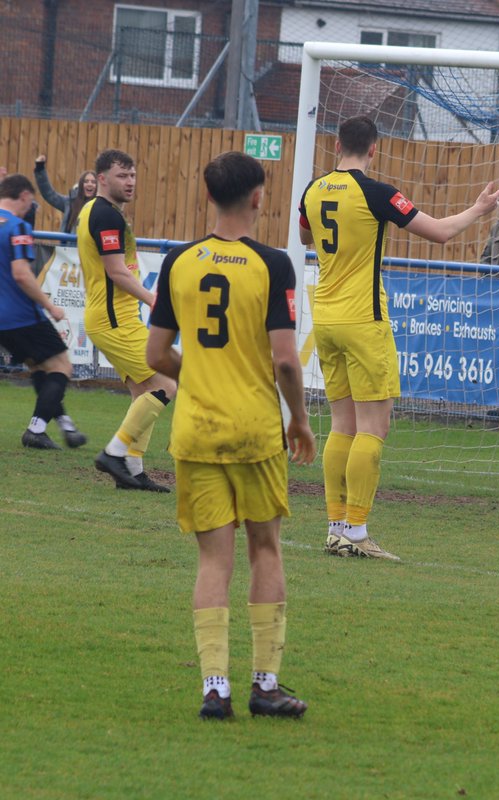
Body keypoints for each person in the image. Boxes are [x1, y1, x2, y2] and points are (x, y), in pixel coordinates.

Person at [146, 150, 317, 721]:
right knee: (264, 549)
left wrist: (194, 376)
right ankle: (265, 685)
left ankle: (214, 688)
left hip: (195, 431)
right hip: (254, 431)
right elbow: (287, 362)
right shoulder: (273, 265)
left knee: (211, 563)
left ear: (208, 195)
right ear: (258, 196)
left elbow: (154, 354)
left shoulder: (178, 262)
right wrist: (299, 418)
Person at [298, 115, 499, 560]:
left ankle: (335, 527)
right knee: (375, 427)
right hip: (363, 319)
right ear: (374, 148)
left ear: (337, 145)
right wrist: (480, 209)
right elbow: (442, 233)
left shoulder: (312, 190)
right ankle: (356, 531)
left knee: (342, 425)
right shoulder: (378, 193)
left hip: (326, 319)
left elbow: (304, 235)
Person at [77, 149, 176, 492]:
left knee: (143, 392)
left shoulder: (96, 210)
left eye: (133, 175)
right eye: (122, 176)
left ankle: (132, 470)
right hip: (113, 319)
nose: (130, 182)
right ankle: (114, 453)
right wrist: (155, 301)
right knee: (167, 384)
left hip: (111, 317)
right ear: (101, 178)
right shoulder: (106, 215)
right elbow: (116, 272)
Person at [0, 173, 87, 450]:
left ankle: (65, 425)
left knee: (39, 367)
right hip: (21, 315)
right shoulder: (18, 227)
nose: (30, 207)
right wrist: (50, 305)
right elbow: (22, 275)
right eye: (31, 202)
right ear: (24, 196)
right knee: (62, 367)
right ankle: (36, 429)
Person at [33, 154, 97, 233]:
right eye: (86, 181)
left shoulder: (100, 205)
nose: (90, 184)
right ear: (80, 185)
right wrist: (40, 168)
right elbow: (49, 195)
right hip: (68, 245)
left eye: (93, 182)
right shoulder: (70, 202)